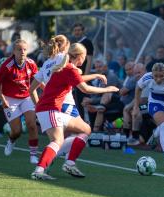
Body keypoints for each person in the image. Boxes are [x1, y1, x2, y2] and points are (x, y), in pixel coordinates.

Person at [31, 43, 119, 180]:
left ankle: (69, 162)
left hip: (51, 109)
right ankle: (39, 170)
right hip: (50, 108)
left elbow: (77, 80)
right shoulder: (69, 69)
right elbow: (85, 89)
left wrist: (95, 75)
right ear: (81, 57)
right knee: (57, 140)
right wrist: (107, 90)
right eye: (84, 57)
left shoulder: (65, 67)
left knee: (85, 129)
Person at [0, 39, 39, 164]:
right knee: (17, 131)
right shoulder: (7, 66)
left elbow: (38, 80)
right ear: (14, 51)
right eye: (19, 49)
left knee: (31, 125)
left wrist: (47, 91)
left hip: (26, 97)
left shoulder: (31, 63)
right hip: (10, 99)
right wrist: (3, 99)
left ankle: (33, 155)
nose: (22, 52)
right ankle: (11, 140)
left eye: (25, 49)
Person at [72, 23, 94, 119]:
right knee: (76, 100)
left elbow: (89, 60)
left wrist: (86, 76)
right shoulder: (74, 44)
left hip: (82, 76)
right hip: (74, 75)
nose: (77, 32)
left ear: (82, 31)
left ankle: (88, 123)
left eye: (79, 30)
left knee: (83, 100)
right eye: (75, 30)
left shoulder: (87, 42)